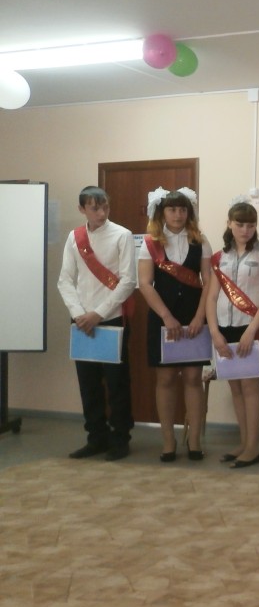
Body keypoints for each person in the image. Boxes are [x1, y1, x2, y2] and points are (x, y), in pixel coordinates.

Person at [58, 186, 138, 461]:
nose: (101, 213)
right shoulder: (74, 237)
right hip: (81, 320)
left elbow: (128, 281)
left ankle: (120, 438)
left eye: (105, 207)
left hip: (111, 318)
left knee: (117, 383)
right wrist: (78, 313)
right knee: (88, 383)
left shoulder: (122, 235)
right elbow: (65, 280)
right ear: (82, 209)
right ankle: (96, 437)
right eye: (94, 208)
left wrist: (98, 314)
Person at [137, 187, 212, 462]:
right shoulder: (150, 242)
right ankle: (168, 441)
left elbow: (208, 282)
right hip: (162, 318)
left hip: (194, 317)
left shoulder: (200, 240)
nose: (178, 215)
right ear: (162, 213)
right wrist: (167, 317)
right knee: (166, 379)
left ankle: (194, 440)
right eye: (172, 209)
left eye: (182, 210)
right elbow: (145, 284)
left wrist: (200, 316)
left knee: (193, 378)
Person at [206, 198, 259, 469]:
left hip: (253, 328)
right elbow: (211, 297)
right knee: (235, 388)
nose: (245, 230)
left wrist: (251, 330)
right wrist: (214, 332)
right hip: (224, 330)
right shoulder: (219, 258)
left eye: (251, 225)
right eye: (240, 224)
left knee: (251, 388)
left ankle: (253, 447)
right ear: (229, 223)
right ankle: (243, 442)